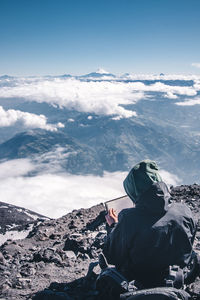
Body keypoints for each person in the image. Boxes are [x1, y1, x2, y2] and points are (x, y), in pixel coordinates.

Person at [103, 159, 196, 288]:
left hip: (138, 285)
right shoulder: (185, 212)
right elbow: (189, 247)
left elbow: (112, 257)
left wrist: (114, 226)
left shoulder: (128, 218)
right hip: (177, 280)